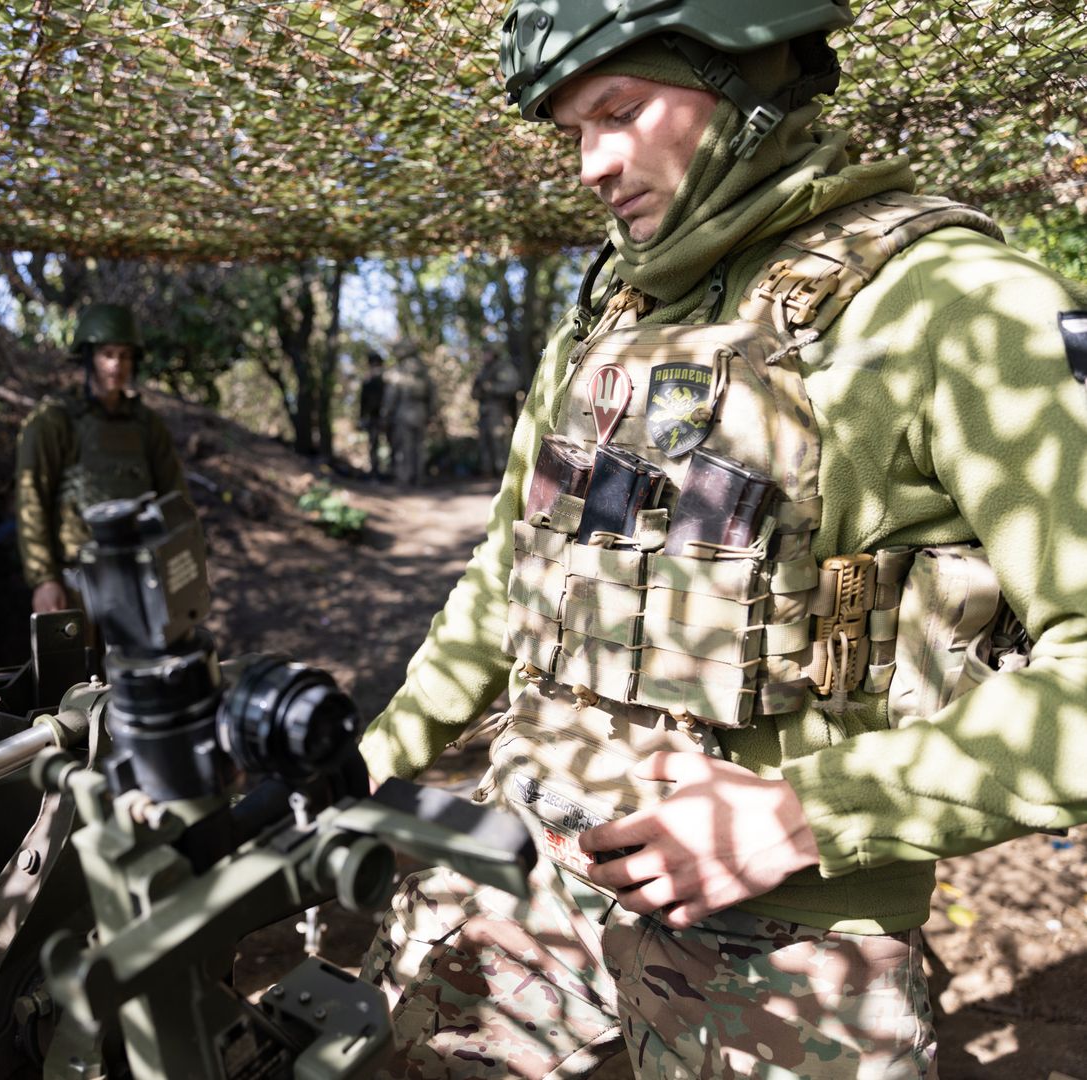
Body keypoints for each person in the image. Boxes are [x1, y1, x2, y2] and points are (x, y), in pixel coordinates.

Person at [356, 1, 1087, 1075]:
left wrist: (807, 815)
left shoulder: (959, 310)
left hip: (784, 932)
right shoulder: (606, 318)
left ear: (749, 81)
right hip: (533, 861)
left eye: (622, 108)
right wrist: (372, 760)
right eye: (570, 132)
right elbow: (508, 572)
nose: (592, 166)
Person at [14, 302, 193, 615]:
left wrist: (183, 566)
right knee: (82, 664)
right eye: (107, 354)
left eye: (124, 355)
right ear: (88, 357)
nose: (116, 365)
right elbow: (32, 500)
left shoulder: (147, 424)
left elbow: (175, 499)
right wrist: (44, 579)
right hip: (78, 577)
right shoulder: (54, 420)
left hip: (142, 572)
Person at [381, 345, 436, 487]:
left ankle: (405, 479)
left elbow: (391, 396)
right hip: (421, 411)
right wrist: (430, 413)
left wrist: (386, 413)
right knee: (419, 446)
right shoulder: (423, 370)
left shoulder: (399, 371)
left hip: (403, 411)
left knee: (404, 446)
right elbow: (433, 394)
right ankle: (420, 478)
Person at [471, 349, 522, 478]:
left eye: (487, 352)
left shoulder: (504, 368)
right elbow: (474, 392)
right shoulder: (484, 371)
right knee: (484, 442)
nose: (484, 355)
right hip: (484, 412)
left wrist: (492, 387)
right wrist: (479, 390)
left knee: (499, 441)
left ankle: (503, 472)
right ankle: (487, 471)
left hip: (499, 411)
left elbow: (512, 386)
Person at [359, 350, 388, 479]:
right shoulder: (369, 379)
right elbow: (363, 401)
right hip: (375, 417)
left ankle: (383, 473)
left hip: (384, 417)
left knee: (383, 444)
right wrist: (362, 418)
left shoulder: (385, 379)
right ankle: (375, 473)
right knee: (374, 444)